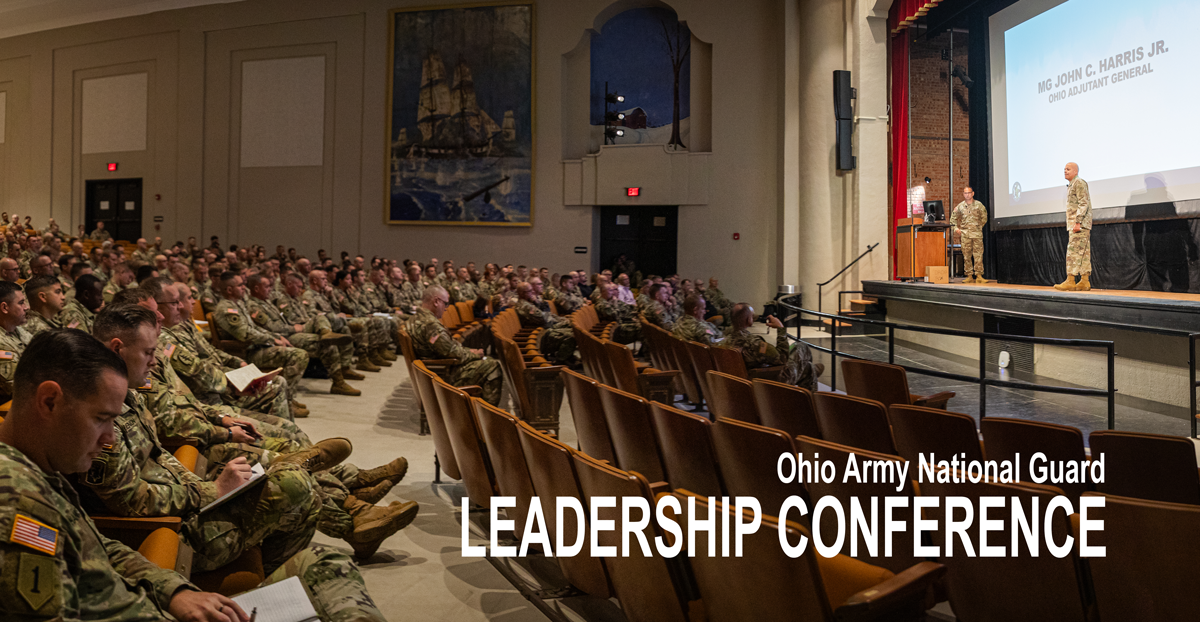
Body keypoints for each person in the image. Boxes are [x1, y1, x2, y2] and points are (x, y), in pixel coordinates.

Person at [242, 273, 361, 396]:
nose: (270, 289)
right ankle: (336, 383)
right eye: (267, 286)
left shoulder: (267, 302)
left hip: (285, 334)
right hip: (281, 338)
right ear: (256, 289)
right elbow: (271, 327)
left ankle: (327, 334)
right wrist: (293, 329)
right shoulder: (254, 306)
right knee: (326, 344)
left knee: (322, 326)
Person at [407, 286, 502, 405]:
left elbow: (448, 348)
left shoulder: (414, 318)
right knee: (492, 365)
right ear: (436, 301)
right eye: (446, 303)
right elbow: (453, 354)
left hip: (431, 371)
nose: (446, 308)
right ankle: (488, 416)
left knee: (485, 361)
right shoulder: (431, 324)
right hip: (441, 376)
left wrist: (468, 351)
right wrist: (475, 354)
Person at [722, 303, 824, 392]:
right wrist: (780, 328)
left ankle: (809, 369)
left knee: (808, 368)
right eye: (752, 316)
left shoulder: (723, 341)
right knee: (801, 347)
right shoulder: (755, 343)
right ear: (749, 320)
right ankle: (810, 370)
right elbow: (782, 358)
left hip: (743, 379)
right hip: (769, 381)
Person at [1055, 162, 1093, 292]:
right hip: (1080, 224)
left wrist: (1078, 221)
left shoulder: (1079, 183)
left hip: (1079, 224)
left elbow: (1084, 202)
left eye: (1068, 169)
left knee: (1073, 251)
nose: (1065, 171)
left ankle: (1071, 280)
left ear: (1075, 171)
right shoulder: (1072, 184)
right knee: (1083, 252)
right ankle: (1084, 281)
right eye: (1064, 169)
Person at [951, 186, 988, 283]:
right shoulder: (960, 207)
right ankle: (969, 275)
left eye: (969, 193)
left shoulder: (979, 205)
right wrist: (956, 229)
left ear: (973, 193)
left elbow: (984, 217)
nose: (967, 195)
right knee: (966, 256)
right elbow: (953, 219)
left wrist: (978, 227)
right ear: (963, 194)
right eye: (965, 193)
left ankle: (979, 275)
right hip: (965, 235)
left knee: (978, 255)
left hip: (976, 234)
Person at [0, 281, 30, 400]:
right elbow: (17, 387)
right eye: (21, 303)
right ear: (4, 308)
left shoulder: (18, 330)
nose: (26, 307)